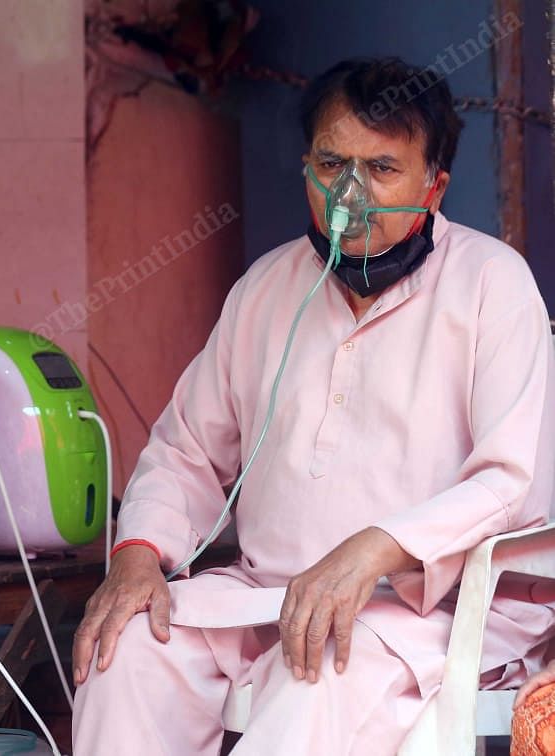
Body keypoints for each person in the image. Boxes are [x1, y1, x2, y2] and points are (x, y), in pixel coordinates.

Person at [71, 57, 555, 755]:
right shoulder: (266, 290)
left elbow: (507, 483)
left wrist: (375, 549)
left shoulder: (491, 284)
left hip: (428, 610)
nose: (351, 193)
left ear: (434, 185)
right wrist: (138, 559)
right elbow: (186, 452)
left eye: (383, 169)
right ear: (307, 167)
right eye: (333, 164)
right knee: (127, 654)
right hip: (264, 595)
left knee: (319, 679)